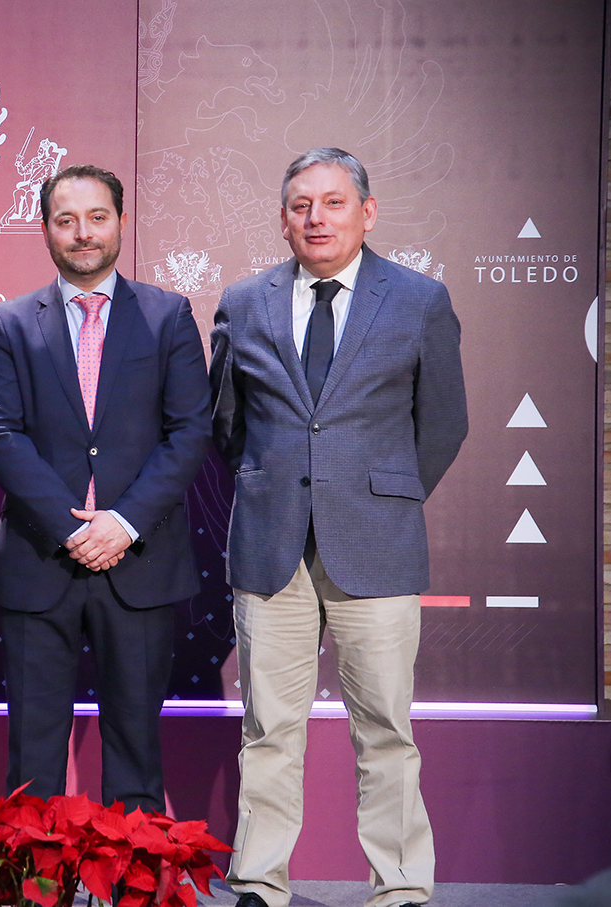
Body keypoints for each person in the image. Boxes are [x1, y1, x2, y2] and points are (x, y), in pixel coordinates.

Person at [209, 147, 467, 907]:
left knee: (384, 728)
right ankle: (258, 880)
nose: (314, 217)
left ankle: (398, 886)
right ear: (283, 216)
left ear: (366, 211)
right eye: (300, 204)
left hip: (376, 545)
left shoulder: (418, 299)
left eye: (330, 202)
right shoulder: (243, 300)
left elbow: (443, 424)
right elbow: (227, 422)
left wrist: (381, 493)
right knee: (267, 728)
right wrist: (277, 484)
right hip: (269, 545)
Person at [0, 164, 211, 814]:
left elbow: (188, 430)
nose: (82, 233)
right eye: (65, 219)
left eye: (96, 217)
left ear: (121, 222)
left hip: (139, 560)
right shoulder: (11, 322)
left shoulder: (167, 316)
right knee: (32, 752)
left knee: (136, 749)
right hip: (39, 557)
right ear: (46, 228)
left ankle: (131, 886)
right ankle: (34, 888)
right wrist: (73, 526)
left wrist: (122, 523)